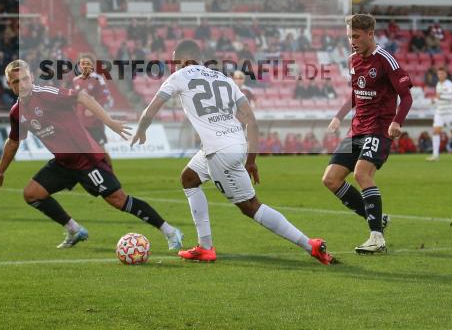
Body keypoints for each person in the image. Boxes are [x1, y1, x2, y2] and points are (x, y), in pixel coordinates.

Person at [131, 39, 333, 265]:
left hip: (219, 152)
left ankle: (311, 245)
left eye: (176, 62)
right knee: (189, 178)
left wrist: (141, 129)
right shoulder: (224, 79)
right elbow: (253, 123)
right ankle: (204, 247)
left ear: (186, 60)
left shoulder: (179, 76)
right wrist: (251, 161)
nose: (175, 67)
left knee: (251, 207)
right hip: (234, 144)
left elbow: (152, 108)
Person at [0, 60, 184, 250]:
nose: (23, 84)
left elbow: (82, 96)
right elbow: (13, 141)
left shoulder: (45, 94)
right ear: (10, 84)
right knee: (32, 194)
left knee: (118, 200)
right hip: (64, 162)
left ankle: (170, 231)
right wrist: (0, 171)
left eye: (26, 78)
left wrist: (109, 121)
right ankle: (74, 230)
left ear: (32, 78)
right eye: (17, 81)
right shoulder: (16, 111)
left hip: (86, 158)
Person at [322, 14, 413, 255]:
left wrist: (397, 121)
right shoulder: (353, 60)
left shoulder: (386, 60)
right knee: (331, 179)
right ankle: (378, 219)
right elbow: (356, 93)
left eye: (356, 36)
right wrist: (338, 116)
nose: (352, 41)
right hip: (357, 128)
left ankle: (377, 237)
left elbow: (406, 95)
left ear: (370, 34)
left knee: (362, 174)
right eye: (349, 36)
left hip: (379, 128)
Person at [71, 53, 114, 148]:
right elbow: (74, 99)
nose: (85, 66)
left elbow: (105, 97)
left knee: (99, 148)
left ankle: (105, 163)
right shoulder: (75, 80)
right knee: (83, 150)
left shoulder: (98, 78)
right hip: (80, 121)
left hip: (95, 122)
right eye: (82, 63)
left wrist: (93, 109)